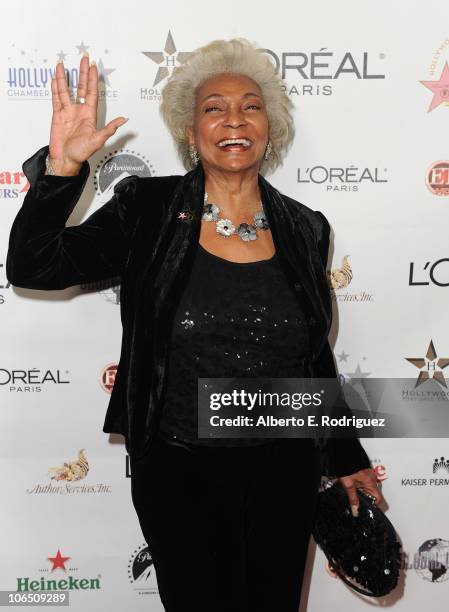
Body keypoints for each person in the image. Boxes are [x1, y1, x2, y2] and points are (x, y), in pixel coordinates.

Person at [6, 38, 384, 612]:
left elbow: (311, 359)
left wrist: (346, 455)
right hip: (178, 464)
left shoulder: (307, 227)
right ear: (189, 130)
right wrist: (62, 170)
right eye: (214, 108)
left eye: (250, 106)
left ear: (270, 126)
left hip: (285, 467)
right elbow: (36, 266)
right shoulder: (147, 209)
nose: (234, 119)